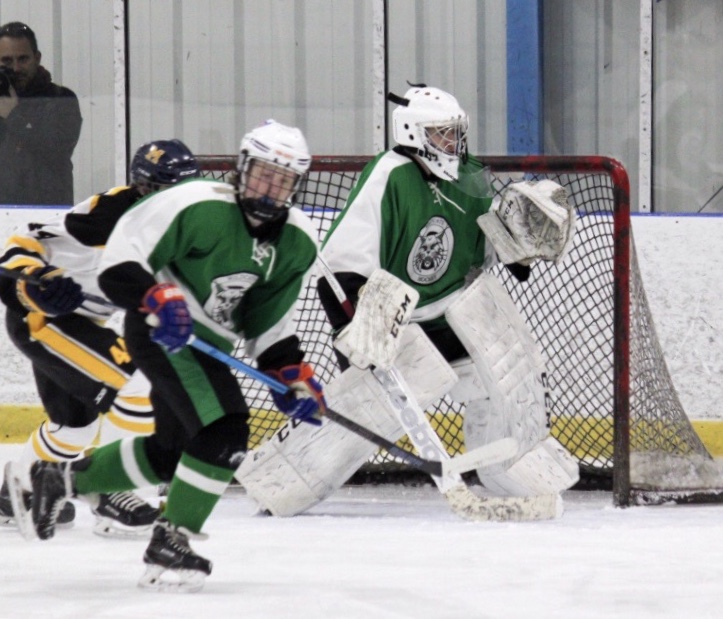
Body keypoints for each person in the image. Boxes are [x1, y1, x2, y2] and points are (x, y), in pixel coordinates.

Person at [8, 120, 327, 593]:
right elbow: (120, 261)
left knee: (171, 452)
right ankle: (170, 538)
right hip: (153, 332)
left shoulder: (296, 241)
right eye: (262, 173)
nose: (269, 187)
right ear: (241, 169)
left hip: (198, 344)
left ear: (296, 185)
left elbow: (266, 324)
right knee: (225, 430)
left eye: (282, 180)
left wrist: (291, 375)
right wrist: (155, 296)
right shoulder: (189, 205)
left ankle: (59, 479)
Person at [236, 85, 580, 518]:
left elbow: (482, 250)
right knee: (373, 410)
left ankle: (508, 466)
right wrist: (356, 328)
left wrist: (515, 242)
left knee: (510, 367)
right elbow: (340, 268)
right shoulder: (391, 173)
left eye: (454, 133)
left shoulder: (470, 173)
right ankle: (284, 479)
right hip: (400, 324)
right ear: (413, 133)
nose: (451, 144)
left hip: (457, 314)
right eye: (440, 134)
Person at [0, 139, 201, 538]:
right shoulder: (109, 215)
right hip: (45, 317)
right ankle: (110, 493)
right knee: (137, 384)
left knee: (73, 426)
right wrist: (41, 282)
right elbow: (19, 249)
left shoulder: (183, 229)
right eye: (166, 190)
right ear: (142, 187)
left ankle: (17, 491)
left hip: (84, 325)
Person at [0, 21, 82, 206]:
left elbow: (56, 148)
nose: (15, 68)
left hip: (47, 216)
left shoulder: (61, 99)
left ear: (37, 58)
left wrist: (13, 115)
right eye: (7, 61)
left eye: (23, 59)